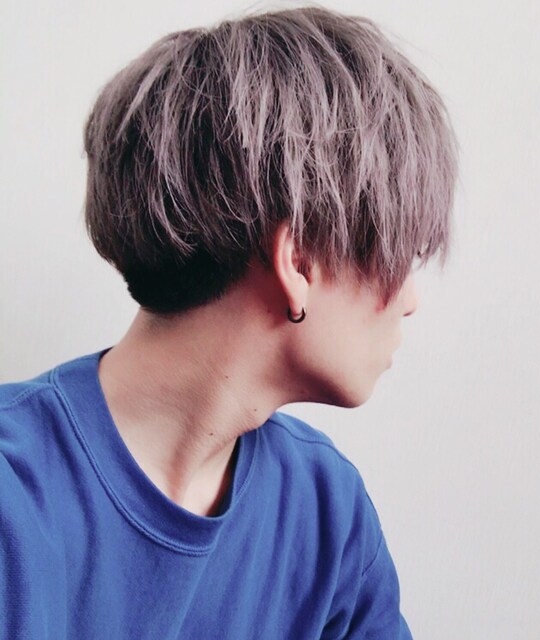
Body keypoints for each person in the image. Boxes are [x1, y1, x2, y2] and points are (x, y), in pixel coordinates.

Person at [0, 6, 456, 639]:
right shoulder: (14, 496)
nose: (410, 299)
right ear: (299, 260)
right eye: (399, 254)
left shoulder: (327, 514)